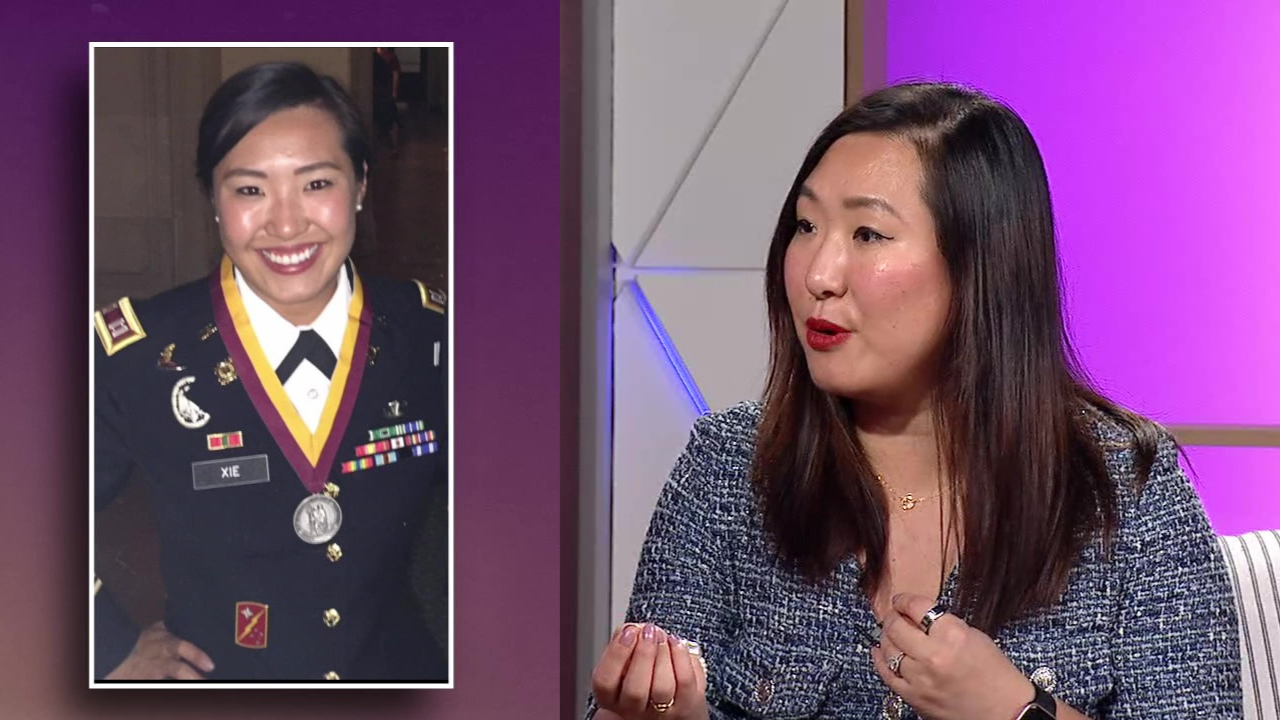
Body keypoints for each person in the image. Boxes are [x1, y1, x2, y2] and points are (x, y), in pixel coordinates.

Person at [587, 83, 1241, 719]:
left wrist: (1013, 711)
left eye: (868, 234)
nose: (818, 274)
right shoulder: (730, 469)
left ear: (981, 265)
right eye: (806, 225)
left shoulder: (1126, 493)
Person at [93, 61, 449, 682]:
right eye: (250, 190)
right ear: (212, 197)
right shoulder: (141, 355)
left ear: (361, 185)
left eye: (317, 184)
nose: (286, 225)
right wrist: (108, 644)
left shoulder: (428, 334)